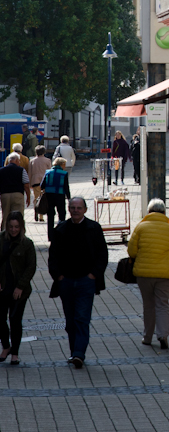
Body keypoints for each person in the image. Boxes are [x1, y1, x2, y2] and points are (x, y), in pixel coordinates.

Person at [48, 196, 108, 367]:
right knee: (70, 320)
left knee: (82, 318)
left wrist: (94, 274)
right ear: (68, 209)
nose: (75, 211)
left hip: (86, 281)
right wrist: (58, 276)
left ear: (85, 210)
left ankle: (79, 354)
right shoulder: (61, 229)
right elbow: (53, 256)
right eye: (72, 207)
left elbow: (102, 254)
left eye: (78, 208)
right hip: (66, 281)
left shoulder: (93, 228)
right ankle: (74, 351)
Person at [127, 198, 169, 349]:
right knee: (162, 304)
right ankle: (162, 335)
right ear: (164, 212)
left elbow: (131, 251)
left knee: (148, 305)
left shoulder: (141, 227)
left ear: (149, 212)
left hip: (144, 274)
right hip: (165, 274)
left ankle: (147, 337)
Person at [0, 211, 36, 365]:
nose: (13, 230)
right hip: (2, 287)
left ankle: (15, 353)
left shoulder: (27, 244)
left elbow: (31, 267)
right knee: (1, 320)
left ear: (21, 227)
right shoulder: (1, 240)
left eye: (16, 227)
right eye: (11, 227)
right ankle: (6, 346)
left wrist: (21, 286)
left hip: (19, 290)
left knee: (15, 320)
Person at [41, 157, 70, 240]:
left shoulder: (48, 172)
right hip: (60, 196)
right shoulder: (64, 173)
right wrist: (69, 199)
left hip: (49, 197)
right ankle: (61, 234)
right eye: (64, 164)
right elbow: (66, 187)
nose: (65, 166)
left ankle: (50, 236)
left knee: (50, 216)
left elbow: (42, 185)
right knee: (61, 215)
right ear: (61, 164)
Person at [0, 155, 30, 228]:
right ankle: (18, 233)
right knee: (17, 216)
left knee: (5, 216)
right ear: (16, 160)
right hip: (18, 195)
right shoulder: (21, 170)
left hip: (5, 195)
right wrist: (28, 197)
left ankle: (4, 234)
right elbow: (26, 184)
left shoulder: (1, 170)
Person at [29, 145, 51, 222]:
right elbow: (49, 172)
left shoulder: (32, 161)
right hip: (45, 182)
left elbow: (30, 173)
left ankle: (36, 211)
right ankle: (41, 215)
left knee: (36, 198)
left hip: (35, 181)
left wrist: (30, 183)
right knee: (44, 198)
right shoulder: (47, 161)